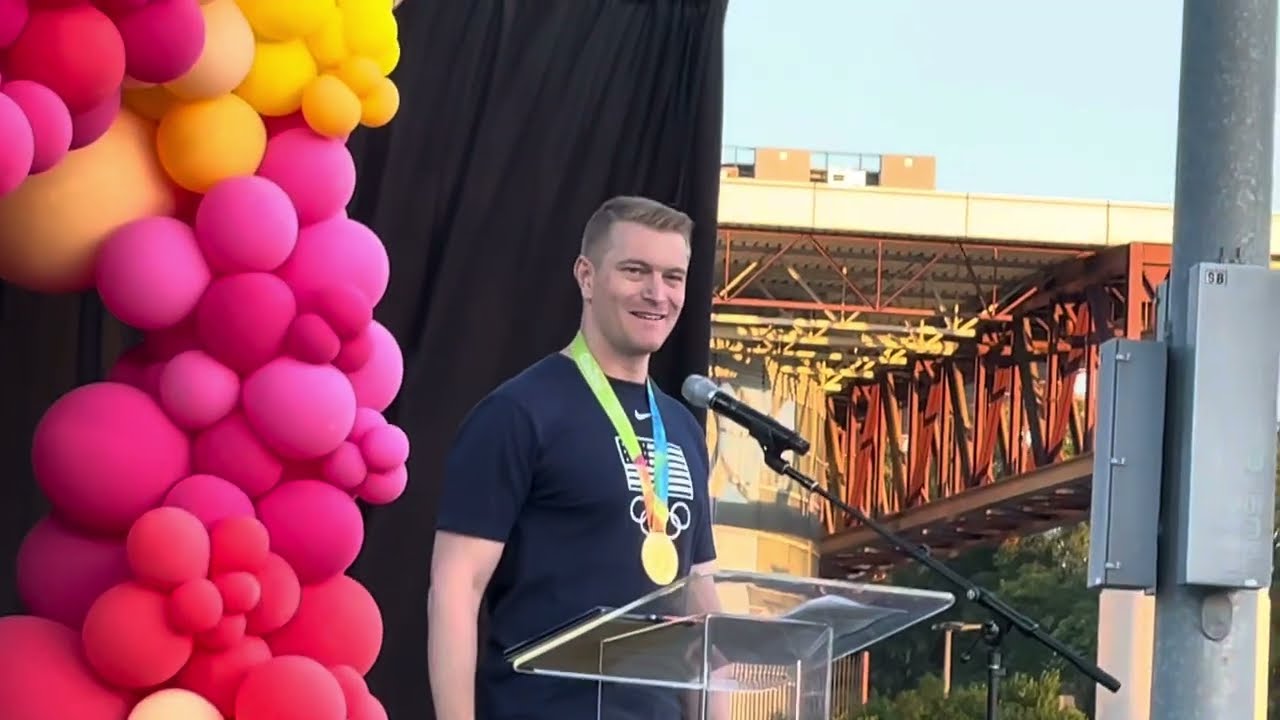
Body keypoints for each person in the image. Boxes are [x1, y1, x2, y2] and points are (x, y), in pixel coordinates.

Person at [427, 195, 721, 720]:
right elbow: (455, 588)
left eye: (674, 277)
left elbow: (699, 599)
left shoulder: (681, 429)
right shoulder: (519, 413)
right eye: (636, 271)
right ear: (587, 277)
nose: (658, 293)